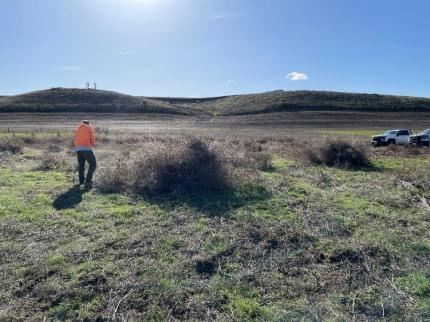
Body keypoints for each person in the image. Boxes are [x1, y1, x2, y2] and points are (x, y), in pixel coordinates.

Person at [74, 120, 96, 188]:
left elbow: (75, 139)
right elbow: (92, 138)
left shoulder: (78, 128)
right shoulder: (89, 127)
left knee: (81, 165)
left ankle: (81, 181)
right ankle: (88, 181)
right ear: (88, 124)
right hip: (86, 148)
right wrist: (92, 143)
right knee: (93, 164)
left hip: (78, 149)